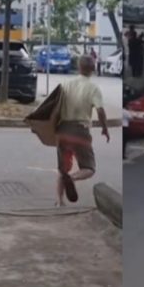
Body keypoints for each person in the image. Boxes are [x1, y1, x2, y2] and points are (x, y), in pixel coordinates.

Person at [55, 56, 110, 206]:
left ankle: (60, 201)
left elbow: (54, 106)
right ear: (93, 69)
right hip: (80, 131)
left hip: (63, 130)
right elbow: (100, 110)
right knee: (89, 168)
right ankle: (72, 179)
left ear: (78, 67)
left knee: (63, 169)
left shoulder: (66, 84)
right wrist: (105, 128)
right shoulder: (93, 88)